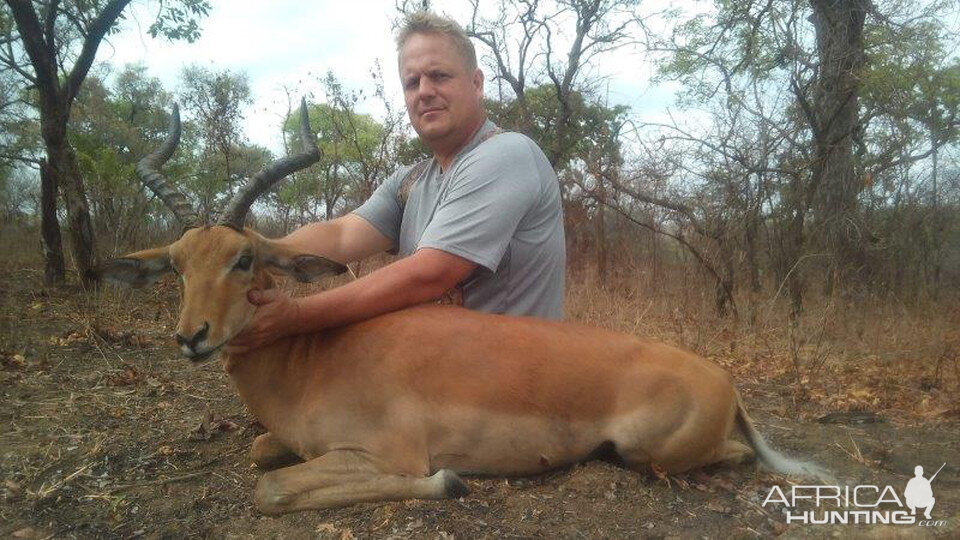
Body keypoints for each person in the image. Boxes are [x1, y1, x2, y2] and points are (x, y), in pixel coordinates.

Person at [227, 11, 565, 353]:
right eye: (412, 82)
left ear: (476, 84)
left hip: (512, 384)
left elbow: (429, 275)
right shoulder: (411, 180)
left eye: (439, 76)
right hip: (439, 380)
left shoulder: (507, 154)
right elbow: (342, 235)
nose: (425, 92)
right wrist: (252, 253)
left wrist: (296, 316)